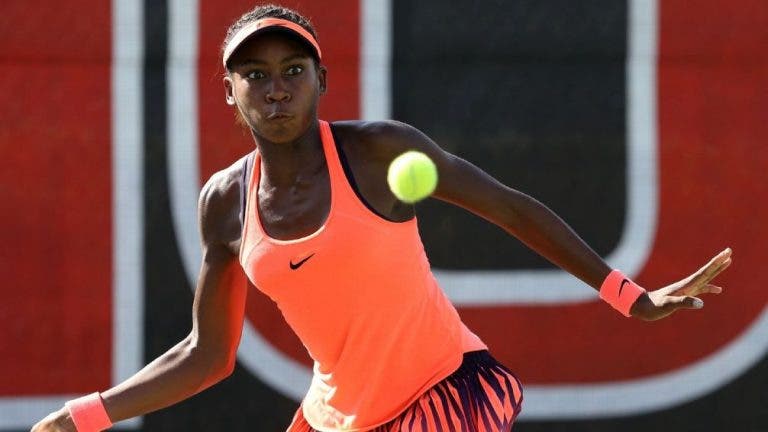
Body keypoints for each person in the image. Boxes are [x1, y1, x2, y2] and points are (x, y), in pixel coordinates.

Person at [32, 4, 732, 432]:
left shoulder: (377, 152)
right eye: (255, 75)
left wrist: (628, 296)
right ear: (228, 92)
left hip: (444, 393)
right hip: (339, 417)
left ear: (322, 80)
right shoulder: (224, 202)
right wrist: (84, 415)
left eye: (293, 70)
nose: (275, 89)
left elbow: (510, 208)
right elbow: (207, 356)